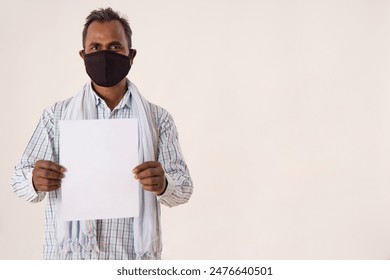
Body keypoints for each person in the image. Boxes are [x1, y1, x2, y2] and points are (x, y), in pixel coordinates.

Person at [10, 7, 193, 260]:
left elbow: (183, 188)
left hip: (130, 262)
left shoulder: (157, 120)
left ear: (131, 55)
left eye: (115, 47)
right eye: (95, 48)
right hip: (70, 263)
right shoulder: (56, 116)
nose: (104, 54)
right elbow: (18, 180)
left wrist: (164, 184)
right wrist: (34, 180)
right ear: (83, 56)